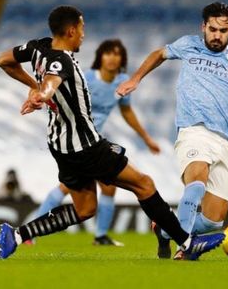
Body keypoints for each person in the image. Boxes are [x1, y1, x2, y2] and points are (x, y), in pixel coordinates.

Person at [0, 5, 224, 260]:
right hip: (86, 147)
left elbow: (3, 60)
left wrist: (33, 86)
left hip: (61, 146)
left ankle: (15, 236)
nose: (83, 34)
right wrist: (41, 93)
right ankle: (187, 243)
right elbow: (51, 83)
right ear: (71, 31)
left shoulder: (37, 47)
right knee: (144, 184)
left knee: (84, 209)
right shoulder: (62, 62)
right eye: (81, 29)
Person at [117, 2, 228, 260]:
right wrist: (135, 79)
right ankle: (185, 248)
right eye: (212, 29)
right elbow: (159, 53)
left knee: (213, 222)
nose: (216, 35)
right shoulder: (189, 44)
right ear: (203, 27)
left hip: (224, 140)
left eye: (223, 30)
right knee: (197, 182)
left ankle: (165, 231)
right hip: (194, 130)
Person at [35, 39, 160, 247]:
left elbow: (126, 111)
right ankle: (34, 229)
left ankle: (100, 236)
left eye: (117, 54)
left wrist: (146, 138)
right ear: (100, 57)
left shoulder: (122, 80)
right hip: (77, 143)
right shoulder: (86, 78)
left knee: (109, 188)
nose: (112, 58)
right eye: (108, 53)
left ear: (122, 59)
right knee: (67, 187)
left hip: (96, 143)